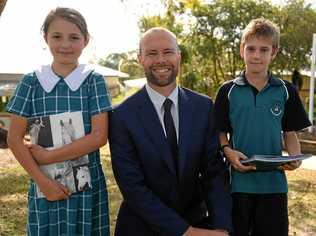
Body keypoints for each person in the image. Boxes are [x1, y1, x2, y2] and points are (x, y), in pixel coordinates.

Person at [109, 27, 232, 236]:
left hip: (198, 222)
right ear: (140, 59)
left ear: (179, 56)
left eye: (167, 52)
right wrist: (186, 232)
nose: (160, 60)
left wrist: (222, 227)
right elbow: (132, 186)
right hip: (141, 227)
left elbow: (214, 172)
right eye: (151, 53)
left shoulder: (203, 107)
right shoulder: (121, 116)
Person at [6, 7, 112, 235]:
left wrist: (49, 156)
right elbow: (14, 139)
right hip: (45, 185)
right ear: (45, 38)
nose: (65, 44)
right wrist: (43, 183)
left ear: (85, 41)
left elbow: (99, 136)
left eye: (74, 37)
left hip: (88, 187)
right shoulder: (31, 83)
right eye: (57, 36)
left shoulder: (94, 81)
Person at [214, 18, 311, 236]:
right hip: (239, 184)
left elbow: (290, 132)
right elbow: (220, 131)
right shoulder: (227, 91)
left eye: (264, 49)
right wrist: (228, 152)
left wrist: (294, 158)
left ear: (273, 52)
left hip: (274, 185)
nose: (256, 55)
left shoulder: (286, 91)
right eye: (251, 48)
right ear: (242, 50)